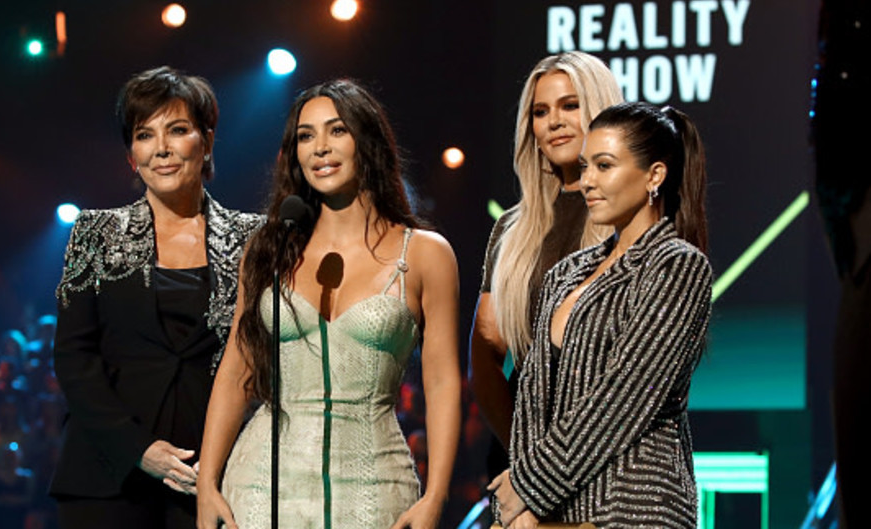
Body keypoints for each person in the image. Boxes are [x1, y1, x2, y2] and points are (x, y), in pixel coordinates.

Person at [196, 80, 461, 529]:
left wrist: (437, 494)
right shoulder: (269, 246)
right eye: (305, 135)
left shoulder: (424, 253)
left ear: (367, 141)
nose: (320, 147)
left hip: (374, 487)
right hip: (262, 486)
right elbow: (236, 370)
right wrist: (207, 483)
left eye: (337, 131)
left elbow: (442, 381)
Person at [50, 66, 263, 529]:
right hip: (107, 477)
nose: (161, 149)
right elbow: (73, 358)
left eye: (178, 130)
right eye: (145, 135)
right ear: (131, 155)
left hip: (215, 478)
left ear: (206, 142)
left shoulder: (254, 238)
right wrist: (138, 449)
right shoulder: (95, 233)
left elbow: (262, 359)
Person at [490, 102, 713, 528]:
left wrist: (528, 484)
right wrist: (524, 508)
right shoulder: (565, 274)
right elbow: (533, 401)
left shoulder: (677, 266)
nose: (588, 181)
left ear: (655, 176)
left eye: (604, 166)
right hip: (553, 511)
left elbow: (626, 396)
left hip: (635, 510)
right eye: (585, 166)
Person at [469, 52, 622, 480]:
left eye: (570, 105)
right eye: (540, 111)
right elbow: (485, 357)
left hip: (610, 469)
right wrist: (524, 454)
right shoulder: (512, 231)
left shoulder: (631, 218)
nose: (553, 121)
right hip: (522, 464)